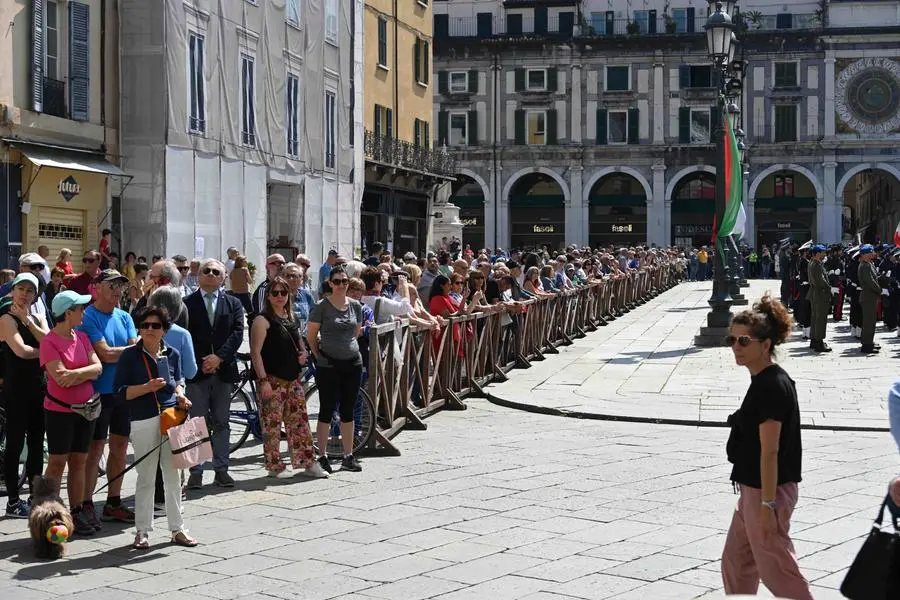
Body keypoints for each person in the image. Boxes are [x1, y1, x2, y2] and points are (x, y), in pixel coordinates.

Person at [722, 295, 812, 600]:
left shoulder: (772, 386)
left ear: (765, 344)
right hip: (752, 488)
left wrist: (767, 505)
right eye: (731, 339)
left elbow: (770, 452)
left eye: (744, 340)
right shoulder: (760, 379)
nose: (736, 347)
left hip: (767, 491)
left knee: (778, 569)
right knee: (737, 561)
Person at [114, 306, 198, 549]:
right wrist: (146, 387)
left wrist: (181, 395)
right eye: (145, 325)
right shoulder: (130, 355)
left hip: (172, 418)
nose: (150, 330)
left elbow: (178, 381)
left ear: (165, 329)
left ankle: (178, 529)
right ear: (139, 328)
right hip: (143, 419)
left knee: (174, 476)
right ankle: (142, 531)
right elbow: (119, 393)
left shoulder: (171, 353)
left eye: (156, 326)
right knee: (146, 476)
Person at [250, 277, 327, 479]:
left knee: (299, 424)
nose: (279, 297)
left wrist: (304, 354)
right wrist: (263, 380)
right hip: (272, 380)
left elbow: (300, 345)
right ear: (268, 296)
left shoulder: (289, 316)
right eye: (275, 293)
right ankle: (274, 466)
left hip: (292, 380)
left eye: (283, 293)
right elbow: (255, 353)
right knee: (272, 426)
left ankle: (307, 462)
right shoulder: (261, 320)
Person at [79, 269, 138, 528]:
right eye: (112, 285)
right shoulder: (88, 316)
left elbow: (132, 351)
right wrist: (130, 350)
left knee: (120, 447)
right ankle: (86, 503)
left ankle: (113, 502)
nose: (117, 291)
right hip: (99, 392)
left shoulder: (125, 316)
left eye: (121, 286)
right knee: (95, 450)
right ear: (97, 288)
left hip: (123, 392)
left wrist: (125, 351)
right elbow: (104, 354)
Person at [41, 290, 102, 534]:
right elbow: (59, 377)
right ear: (68, 312)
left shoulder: (83, 337)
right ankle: (48, 512)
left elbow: (97, 368)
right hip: (59, 411)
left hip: (86, 410)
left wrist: (75, 373)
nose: (83, 313)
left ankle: (76, 511)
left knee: (80, 461)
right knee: (57, 462)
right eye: (79, 309)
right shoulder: (49, 341)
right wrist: (85, 372)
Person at [184, 259, 245, 489]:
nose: (210, 274)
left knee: (222, 422)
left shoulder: (233, 303)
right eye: (206, 271)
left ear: (223, 277)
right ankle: (196, 472)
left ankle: (221, 469)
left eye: (215, 272)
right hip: (196, 372)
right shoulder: (186, 303)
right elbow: (184, 336)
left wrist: (219, 358)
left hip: (223, 371)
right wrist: (202, 361)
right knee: (195, 423)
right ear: (198, 276)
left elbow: (237, 333)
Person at [307, 266, 364, 473]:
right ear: (330, 283)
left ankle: (348, 455)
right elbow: (311, 335)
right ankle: (322, 455)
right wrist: (318, 355)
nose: (341, 285)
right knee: (326, 408)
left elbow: (356, 332)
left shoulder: (355, 306)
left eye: (344, 281)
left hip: (352, 362)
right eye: (337, 281)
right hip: (328, 364)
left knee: (348, 408)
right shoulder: (322, 306)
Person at [1, 273, 50, 517]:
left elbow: (52, 344)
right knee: (15, 443)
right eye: (20, 288)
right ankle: (12, 500)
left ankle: (35, 495)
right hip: (16, 391)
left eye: (29, 290)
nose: (24, 294)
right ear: (12, 290)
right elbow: (21, 351)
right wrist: (43, 350)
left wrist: (29, 322)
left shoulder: (38, 317)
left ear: (35, 295)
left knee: (36, 445)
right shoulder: (6, 319)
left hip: (39, 390)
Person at [806, 245, 832, 353]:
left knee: (815, 318)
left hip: (815, 293)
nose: (825, 254)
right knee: (820, 319)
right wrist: (829, 288)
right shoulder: (816, 265)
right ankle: (819, 342)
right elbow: (821, 280)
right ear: (817, 253)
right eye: (823, 252)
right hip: (820, 293)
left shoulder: (812, 263)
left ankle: (814, 340)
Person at [857, 244, 881, 354]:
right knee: (868, 322)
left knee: (871, 321)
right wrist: (879, 289)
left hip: (870, 296)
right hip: (868, 296)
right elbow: (870, 281)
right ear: (865, 254)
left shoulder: (868, 263)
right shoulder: (865, 265)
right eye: (870, 252)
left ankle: (869, 342)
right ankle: (866, 345)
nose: (873, 253)